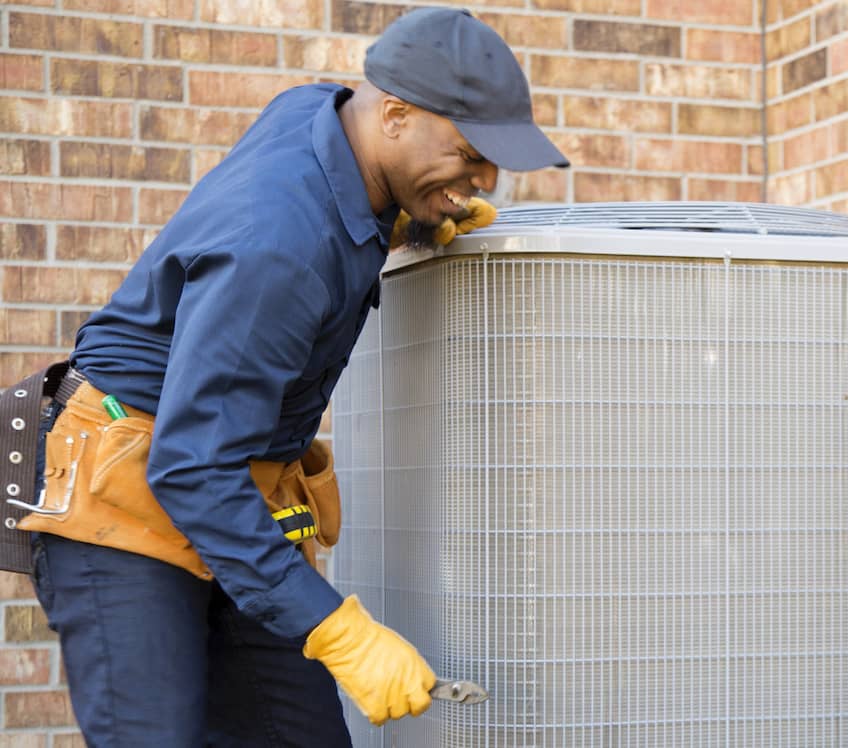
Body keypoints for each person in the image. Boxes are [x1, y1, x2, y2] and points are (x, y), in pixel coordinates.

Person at [13, 7, 567, 745]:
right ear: (395, 115)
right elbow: (190, 465)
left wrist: (414, 218)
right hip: (130, 498)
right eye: (469, 154)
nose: (484, 179)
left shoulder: (324, 114)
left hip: (225, 486)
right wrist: (339, 630)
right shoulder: (280, 246)